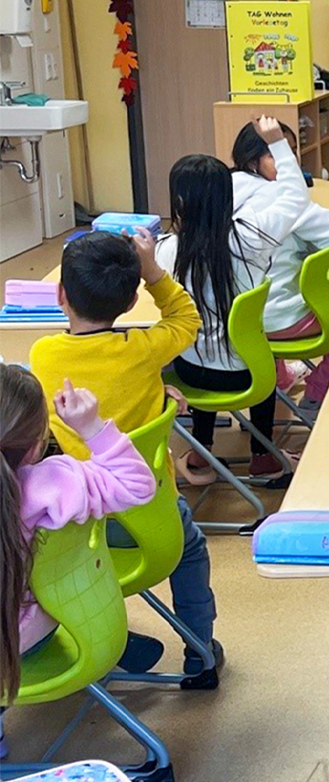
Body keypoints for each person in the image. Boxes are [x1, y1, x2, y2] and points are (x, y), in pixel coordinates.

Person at [28, 228, 222, 684]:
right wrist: (152, 268)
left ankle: (103, 638)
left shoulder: (44, 354)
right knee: (191, 553)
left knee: (51, 564)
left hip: (79, 525)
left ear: (60, 294)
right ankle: (201, 649)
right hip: (153, 518)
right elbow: (185, 317)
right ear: (132, 301)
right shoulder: (143, 350)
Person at [157, 115, 308, 482]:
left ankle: (201, 453)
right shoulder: (252, 238)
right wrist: (277, 143)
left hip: (193, 374)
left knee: (194, 345)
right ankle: (262, 455)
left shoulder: (167, 250)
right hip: (252, 373)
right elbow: (295, 197)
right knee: (241, 347)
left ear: (178, 200)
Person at [1, 368, 155, 702]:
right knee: (48, 592)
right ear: (34, 446)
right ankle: (117, 642)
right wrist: (92, 428)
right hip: (22, 636)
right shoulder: (56, 484)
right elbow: (138, 487)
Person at [232, 120, 329, 411]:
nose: (290, 161)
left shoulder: (221, 192)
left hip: (236, 322)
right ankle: (319, 393)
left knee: (268, 284)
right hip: (281, 319)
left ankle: (280, 377)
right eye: (278, 152)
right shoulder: (282, 200)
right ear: (252, 160)